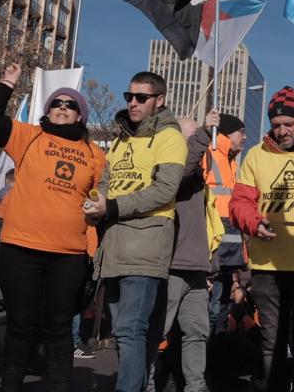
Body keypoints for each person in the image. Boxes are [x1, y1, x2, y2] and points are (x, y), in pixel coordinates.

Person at [0, 62, 106, 391]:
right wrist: (7, 82)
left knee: (59, 326)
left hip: (69, 254)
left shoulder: (95, 154)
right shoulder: (28, 136)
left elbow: (103, 195)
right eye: (56, 103)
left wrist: (98, 209)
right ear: (47, 111)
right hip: (20, 249)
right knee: (20, 325)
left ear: (81, 115)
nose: (62, 107)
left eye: (70, 104)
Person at [83, 71, 187, 392]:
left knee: (131, 331)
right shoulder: (121, 140)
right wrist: (95, 202)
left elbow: (165, 190)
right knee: (122, 334)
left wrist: (111, 207)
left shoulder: (170, 137)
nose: (133, 103)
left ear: (160, 101)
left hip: (144, 247)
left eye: (141, 97)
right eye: (130, 96)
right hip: (114, 248)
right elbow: (105, 184)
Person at [230, 87, 294, 392]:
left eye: (288, 124)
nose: (281, 131)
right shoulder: (256, 155)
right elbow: (239, 203)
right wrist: (254, 222)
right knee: (270, 342)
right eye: (276, 125)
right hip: (268, 266)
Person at [145, 111, 225, 392]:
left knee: (197, 334)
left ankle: (195, 386)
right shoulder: (170, 172)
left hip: (196, 270)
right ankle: (146, 384)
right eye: (191, 138)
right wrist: (203, 131)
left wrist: (210, 268)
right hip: (172, 266)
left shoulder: (200, 180)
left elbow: (208, 227)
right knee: (158, 332)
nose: (198, 145)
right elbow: (184, 164)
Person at [205, 113, 247, 333]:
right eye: (241, 132)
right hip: (213, 243)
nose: (245, 137)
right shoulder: (210, 155)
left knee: (221, 306)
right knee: (212, 307)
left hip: (227, 248)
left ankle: (215, 352)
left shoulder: (230, 162)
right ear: (227, 134)